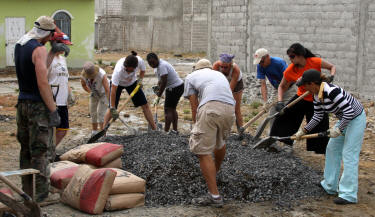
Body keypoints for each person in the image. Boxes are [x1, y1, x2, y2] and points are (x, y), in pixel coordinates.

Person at [294, 69, 366, 205]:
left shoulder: (332, 92)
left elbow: (349, 112)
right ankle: (330, 185)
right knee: (332, 149)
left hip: (355, 119)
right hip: (344, 119)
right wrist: (303, 131)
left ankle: (348, 194)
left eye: (305, 85)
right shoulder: (316, 95)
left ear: (312, 84)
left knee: (349, 154)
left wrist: (339, 129)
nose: (304, 88)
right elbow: (318, 116)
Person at [14, 16, 60, 202]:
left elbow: (35, 70)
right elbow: (42, 81)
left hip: (22, 104)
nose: (51, 39)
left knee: (25, 149)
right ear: (47, 34)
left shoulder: (20, 44)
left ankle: (27, 192)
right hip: (37, 107)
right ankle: (42, 195)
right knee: (40, 151)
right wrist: (53, 109)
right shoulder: (39, 49)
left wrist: (51, 54)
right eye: (51, 35)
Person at [184, 59, 235, 207]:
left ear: (196, 69)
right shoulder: (218, 75)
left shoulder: (191, 77)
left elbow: (194, 106)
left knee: (202, 151)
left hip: (211, 107)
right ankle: (215, 172)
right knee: (220, 141)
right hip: (229, 108)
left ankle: (214, 196)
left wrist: (196, 126)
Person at [270, 43, 336, 154]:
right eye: (289, 57)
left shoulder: (315, 61)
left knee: (319, 123)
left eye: (292, 56)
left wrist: (331, 77)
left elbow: (332, 67)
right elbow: (281, 86)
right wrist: (280, 101)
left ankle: (322, 150)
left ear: (300, 55)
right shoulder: (290, 70)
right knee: (285, 116)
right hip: (301, 98)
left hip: (317, 98)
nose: (290, 59)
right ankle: (286, 144)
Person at [104, 51, 156, 130]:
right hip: (118, 85)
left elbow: (143, 70)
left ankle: (154, 129)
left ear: (135, 67)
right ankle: (103, 132)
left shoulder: (139, 61)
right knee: (111, 109)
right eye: (127, 70)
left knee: (145, 105)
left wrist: (140, 80)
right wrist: (113, 107)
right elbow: (113, 90)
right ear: (125, 66)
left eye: (130, 71)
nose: (128, 72)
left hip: (132, 83)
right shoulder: (118, 70)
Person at [252, 48, 296, 139]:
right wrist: (265, 102)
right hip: (277, 88)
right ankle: (271, 137)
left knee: (287, 112)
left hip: (290, 87)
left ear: (268, 57)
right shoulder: (260, 66)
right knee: (272, 113)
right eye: (259, 62)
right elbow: (263, 84)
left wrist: (280, 97)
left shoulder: (279, 63)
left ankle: (288, 139)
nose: (261, 64)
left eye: (262, 61)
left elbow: (288, 80)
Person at [47, 30, 74, 146]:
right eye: (63, 44)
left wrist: (69, 93)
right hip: (53, 100)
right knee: (51, 129)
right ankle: (48, 152)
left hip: (62, 100)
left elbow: (65, 78)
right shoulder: (48, 59)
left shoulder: (63, 59)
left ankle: (51, 150)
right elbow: (44, 80)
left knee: (63, 129)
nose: (65, 47)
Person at [146, 52, 184, 133]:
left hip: (175, 88)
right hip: (176, 87)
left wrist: (158, 96)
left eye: (153, 62)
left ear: (157, 59)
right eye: (150, 64)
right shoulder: (157, 67)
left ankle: (165, 132)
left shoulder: (162, 66)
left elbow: (164, 82)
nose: (152, 65)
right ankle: (175, 130)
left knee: (168, 110)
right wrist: (157, 87)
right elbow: (160, 80)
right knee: (172, 109)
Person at [213, 54, 244, 132]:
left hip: (236, 84)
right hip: (222, 81)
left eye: (225, 67)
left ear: (230, 65)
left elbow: (229, 91)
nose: (223, 69)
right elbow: (213, 81)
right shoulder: (216, 66)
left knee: (236, 109)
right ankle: (219, 129)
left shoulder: (235, 70)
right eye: (222, 67)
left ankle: (241, 131)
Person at [81, 62, 110, 135]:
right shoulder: (83, 76)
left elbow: (107, 89)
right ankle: (94, 132)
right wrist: (90, 92)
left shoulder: (102, 74)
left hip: (104, 93)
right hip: (94, 93)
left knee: (101, 113)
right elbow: (84, 85)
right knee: (93, 112)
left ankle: (103, 134)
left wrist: (110, 105)